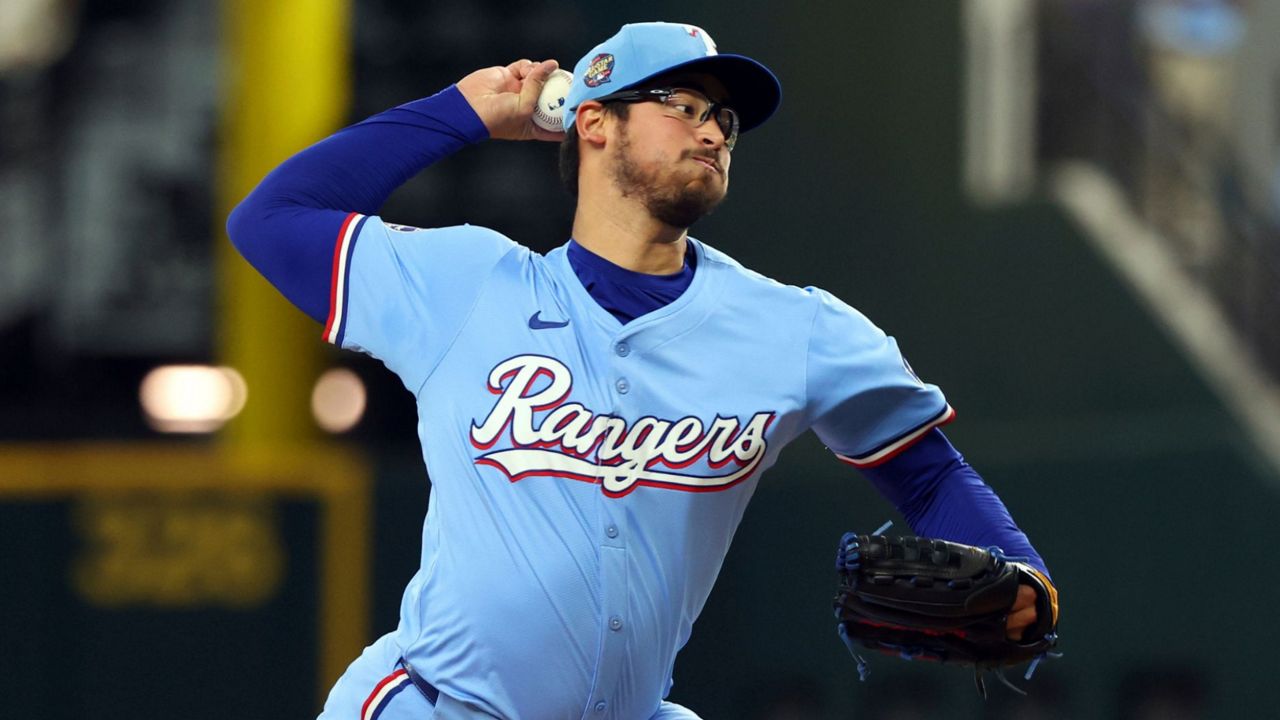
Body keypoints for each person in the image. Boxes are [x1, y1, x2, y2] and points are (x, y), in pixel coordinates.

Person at [227, 21, 1059, 720]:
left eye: (725, 121)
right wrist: (462, 114)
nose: (713, 132)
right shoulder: (467, 287)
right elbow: (269, 219)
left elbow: (925, 477)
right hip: (437, 705)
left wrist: (1027, 575)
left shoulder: (795, 330)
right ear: (593, 122)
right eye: (684, 105)